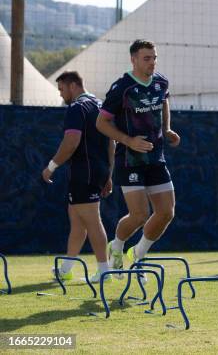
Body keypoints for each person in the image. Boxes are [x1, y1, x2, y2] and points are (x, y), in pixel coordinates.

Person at [96, 39, 180, 277]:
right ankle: (118, 245)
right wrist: (129, 140)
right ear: (133, 59)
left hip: (156, 158)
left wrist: (167, 128)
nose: (152, 62)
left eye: (154, 57)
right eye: (147, 58)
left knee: (166, 213)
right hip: (129, 160)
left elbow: (164, 101)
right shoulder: (122, 87)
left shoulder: (161, 82)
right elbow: (101, 123)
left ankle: (138, 254)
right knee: (140, 214)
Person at [42, 71, 114, 282]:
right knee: (77, 221)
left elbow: (71, 141)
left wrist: (51, 166)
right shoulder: (100, 105)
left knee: (92, 221)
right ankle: (66, 269)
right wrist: (109, 173)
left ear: (73, 86)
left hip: (84, 172)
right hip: (98, 170)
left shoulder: (77, 107)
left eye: (62, 90)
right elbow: (112, 142)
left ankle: (104, 272)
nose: (61, 95)